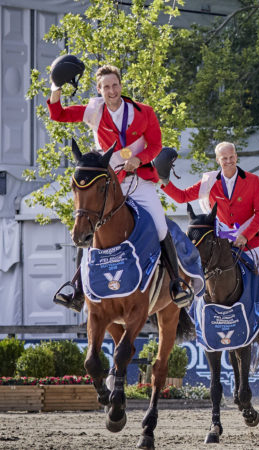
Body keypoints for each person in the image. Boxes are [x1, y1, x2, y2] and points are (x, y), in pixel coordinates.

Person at [48, 64, 192, 311]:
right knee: (88, 228)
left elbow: (156, 145)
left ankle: (176, 283)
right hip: (109, 182)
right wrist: (55, 87)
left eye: (115, 85)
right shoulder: (94, 111)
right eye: (106, 87)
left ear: (121, 86)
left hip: (139, 179)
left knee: (159, 225)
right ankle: (78, 289)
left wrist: (140, 158)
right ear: (99, 89)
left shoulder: (144, 111)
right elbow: (58, 115)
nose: (111, 90)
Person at [161, 141, 259, 339]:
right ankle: (196, 317)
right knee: (198, 270)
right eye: (224, 158)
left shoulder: (252, 180)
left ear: (236, 156)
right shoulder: (210, 181)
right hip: (220, 240)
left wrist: (245, 235)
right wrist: (164, 181)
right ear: (218, 160)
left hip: (247, 240)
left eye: (232, 157)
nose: (229, 161)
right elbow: (182, 197)